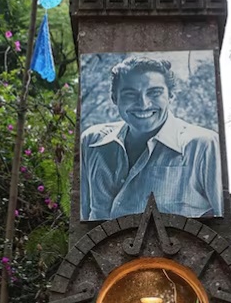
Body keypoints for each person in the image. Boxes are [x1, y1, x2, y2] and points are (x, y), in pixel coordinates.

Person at [80, 55, 223, 220]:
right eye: (130, 94)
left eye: (154, 93)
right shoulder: (91, 141)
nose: (143, 104)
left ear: (171, 95)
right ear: (114, 98)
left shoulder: (203, 145)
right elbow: (82, 218)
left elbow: (224, 221)